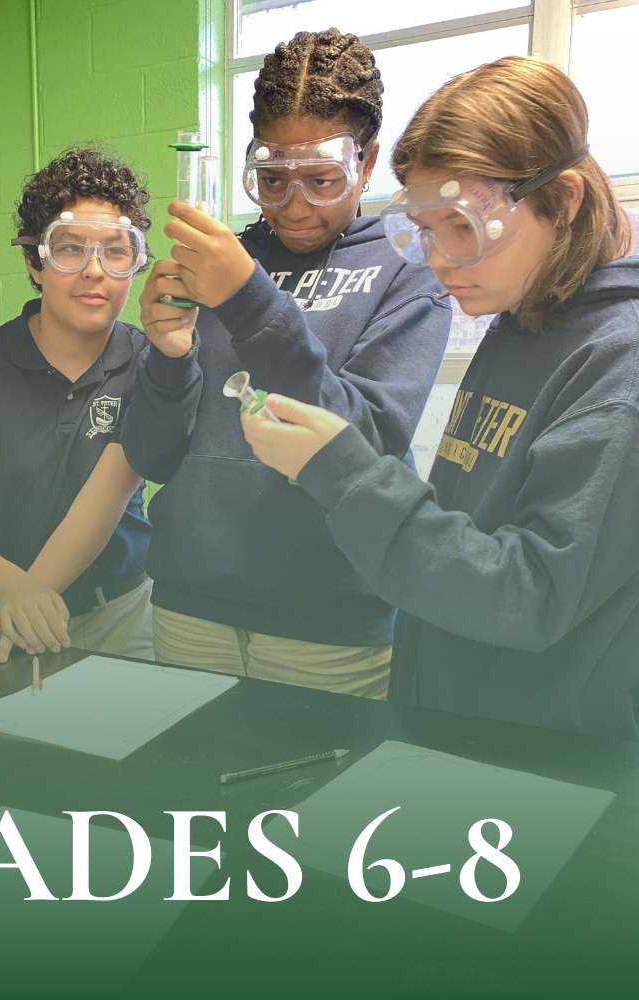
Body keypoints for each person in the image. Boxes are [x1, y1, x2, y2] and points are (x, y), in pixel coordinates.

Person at [241, 56, 639, 740]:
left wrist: (346, 474)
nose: (439, 259)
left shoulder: (617, 367)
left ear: (564, 200)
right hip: (458, 717)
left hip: (549, 753)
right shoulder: (521, 319)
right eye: (424, 230)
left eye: (464, 226)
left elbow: (529, 594)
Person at [119, 28, 451, 697]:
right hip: (190, 610)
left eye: (323, 180)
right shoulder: (217, 262)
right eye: (271, 181)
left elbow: (368, 439)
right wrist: (168, 356)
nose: (294, 207)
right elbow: (152, 457)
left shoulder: (409, 269)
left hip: (329, 625)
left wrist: (248, 301)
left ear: (366, 161)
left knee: (327, 803)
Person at [0, 147, 154, 665]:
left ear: (135, 263)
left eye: (115, 252)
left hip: (124, 615)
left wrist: (26, 599)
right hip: (4, 613)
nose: (94, 271)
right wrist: (16, 595)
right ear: (34, 260)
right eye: (70, 249)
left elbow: (108, 499)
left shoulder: (149, 362)